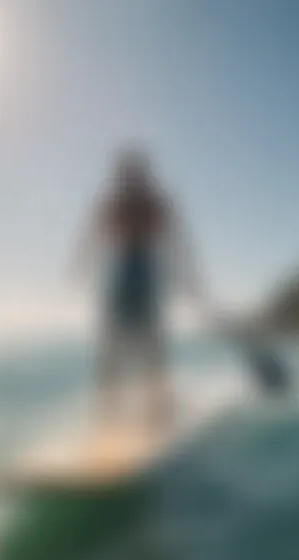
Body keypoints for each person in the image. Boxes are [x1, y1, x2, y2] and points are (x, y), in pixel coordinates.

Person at [73, 146, 199, 429]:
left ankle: (159, 411)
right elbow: (92, 234)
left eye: (134, 172)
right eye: (126, 173)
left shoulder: (155, 201)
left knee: (150, 339)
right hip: (123, 266)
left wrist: (187, 274)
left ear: (143, 174)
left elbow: (177, 239)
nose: (129, 178)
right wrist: (81, 263)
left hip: (144, 266)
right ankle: (108, 414)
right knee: (114, 341)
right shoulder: (113, 202)